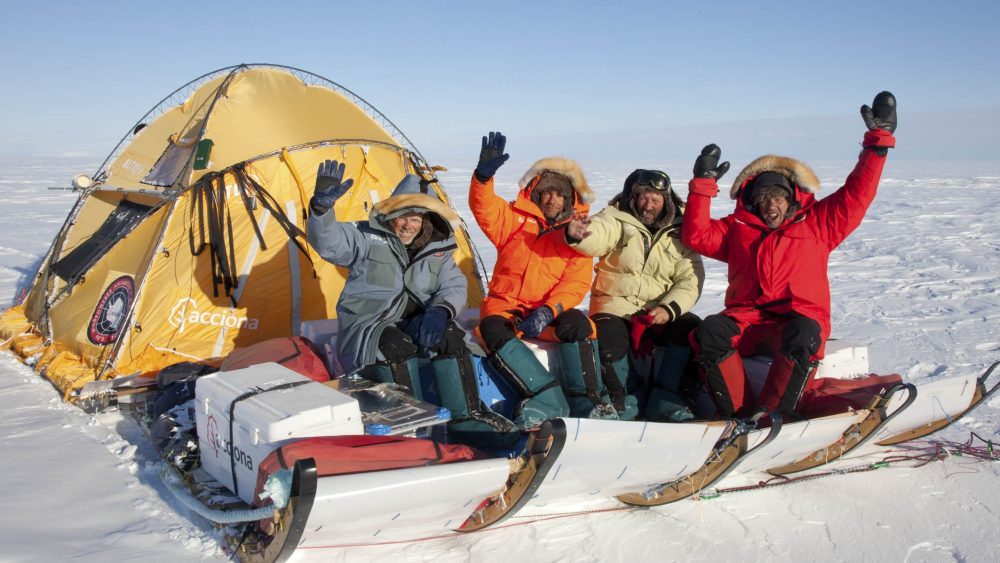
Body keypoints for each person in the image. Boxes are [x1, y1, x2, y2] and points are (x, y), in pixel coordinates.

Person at [681, 91, 898, 419]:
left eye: (778, 197)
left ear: (791, 198)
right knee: (708, 332)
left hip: (798, 317)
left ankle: (772, 416)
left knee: (804, 335)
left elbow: (858, 194)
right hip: (749, 319)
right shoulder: (738, 228)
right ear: (753, 202)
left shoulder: (819, 223)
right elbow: (696, 235)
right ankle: (737, 415)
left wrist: (877, 144)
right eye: (764, 197)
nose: (771, 204)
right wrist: (702, 186)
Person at [307, 160, 517, 448]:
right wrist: (321, 212)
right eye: (403, 216)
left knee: (451, 336)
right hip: (367, 326)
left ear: (426, 221)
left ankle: (465, 418)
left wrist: (440, 311)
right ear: (392, 214)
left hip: (413, 320)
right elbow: (330, 243)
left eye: (416, 219)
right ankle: (411, 430)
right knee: (395, 345)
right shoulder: (366, 236)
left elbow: (454, 285)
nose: (408, 224)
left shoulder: (437, 250)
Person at [469, 132, 596, 429]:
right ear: (536, 194)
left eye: (559, 193)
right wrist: (483, 177)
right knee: (491, 328)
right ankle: (546, 396)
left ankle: (588, 401)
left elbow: (576, 284)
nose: (551, 199)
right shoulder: (514, 221)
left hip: (546, 312)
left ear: (569, 198)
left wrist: (548, 310)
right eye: (546, 193)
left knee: (577, 324)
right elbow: (484, 208)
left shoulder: (577, 233)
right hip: (507, 308)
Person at [565, 169, 705, 421]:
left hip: (660, 310)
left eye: (655, 199)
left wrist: (667, 309)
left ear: (666, 200)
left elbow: (690, 279)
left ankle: (667, 400)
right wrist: (580, 235)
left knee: (691, 330)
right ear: (632, 196)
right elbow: (599, 232)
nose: (648, 205)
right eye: (643, 197)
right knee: (608, 340)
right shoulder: (617, 218)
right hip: (615, 304)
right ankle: (627, 399)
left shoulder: (680, 231)